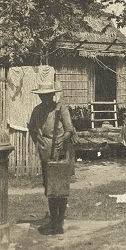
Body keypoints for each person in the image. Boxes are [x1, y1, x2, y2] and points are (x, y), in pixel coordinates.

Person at [25, 80, 76, 235]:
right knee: (49, 186)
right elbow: (32, 128)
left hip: (60, 150)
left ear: (53, 95)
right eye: (42, 96)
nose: (45, 99)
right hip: (45, 150)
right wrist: (40, 142)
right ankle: (53, 219)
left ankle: (59, 221)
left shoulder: (61, 109)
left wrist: (62, 139)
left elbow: (69, 129)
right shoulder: (37, 110)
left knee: (61, 186)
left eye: (48, 96)